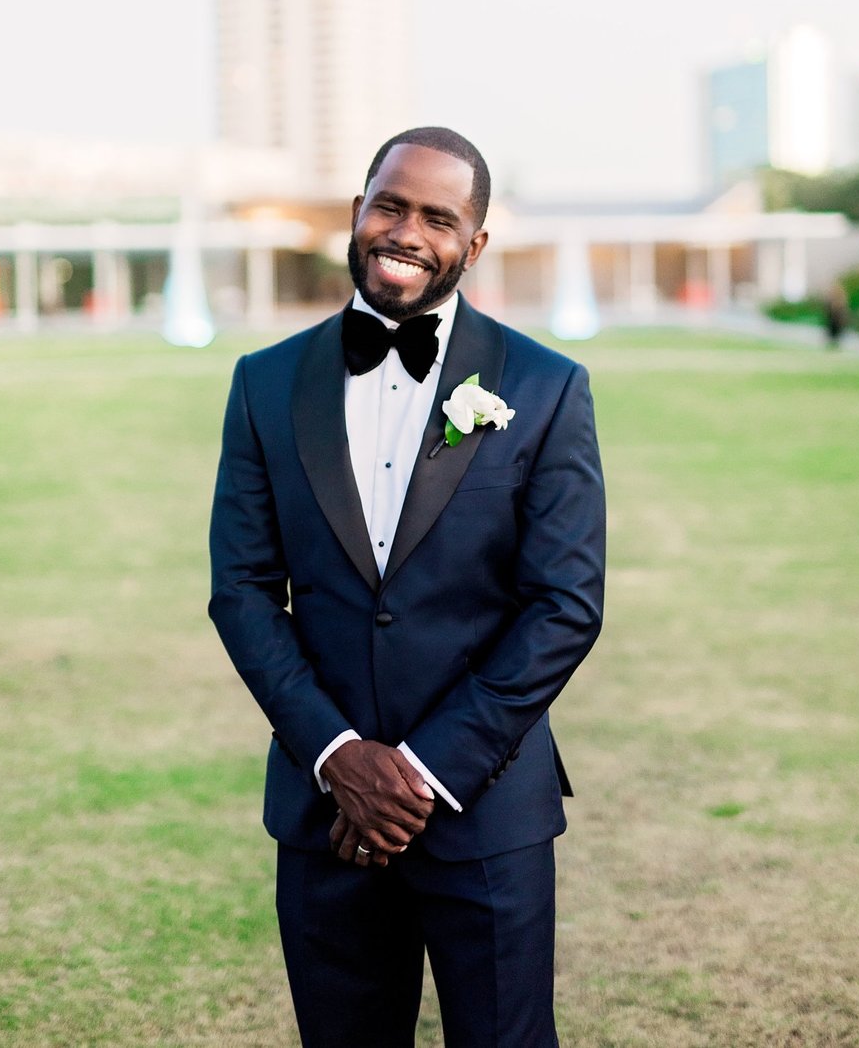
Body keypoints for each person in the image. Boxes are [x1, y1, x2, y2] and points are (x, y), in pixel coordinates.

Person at [208, 126, 606, 1048]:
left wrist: (418, 777)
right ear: (357, 213)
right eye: (390, 204)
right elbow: (241, 590)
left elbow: (565, 606)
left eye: (438, 217)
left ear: (474, 244)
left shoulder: (547, 388)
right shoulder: (265, 384)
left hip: (484, 810)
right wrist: (339, 756)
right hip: (325, 811)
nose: (406, 231)